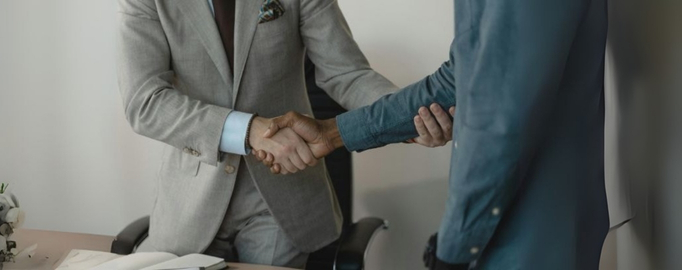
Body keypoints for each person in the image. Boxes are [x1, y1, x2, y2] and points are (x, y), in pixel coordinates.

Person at [256, 0, 610, 268]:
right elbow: (460, 78)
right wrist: (332, 134)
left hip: (532, 229)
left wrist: (454, 250)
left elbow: (497, 117)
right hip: (510, 221)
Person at [115, 0, 452, 268]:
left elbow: (347, 74)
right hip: (191, 199)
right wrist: (249, 129)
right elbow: (145, 101)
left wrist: (406, 120)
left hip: (285, 193)